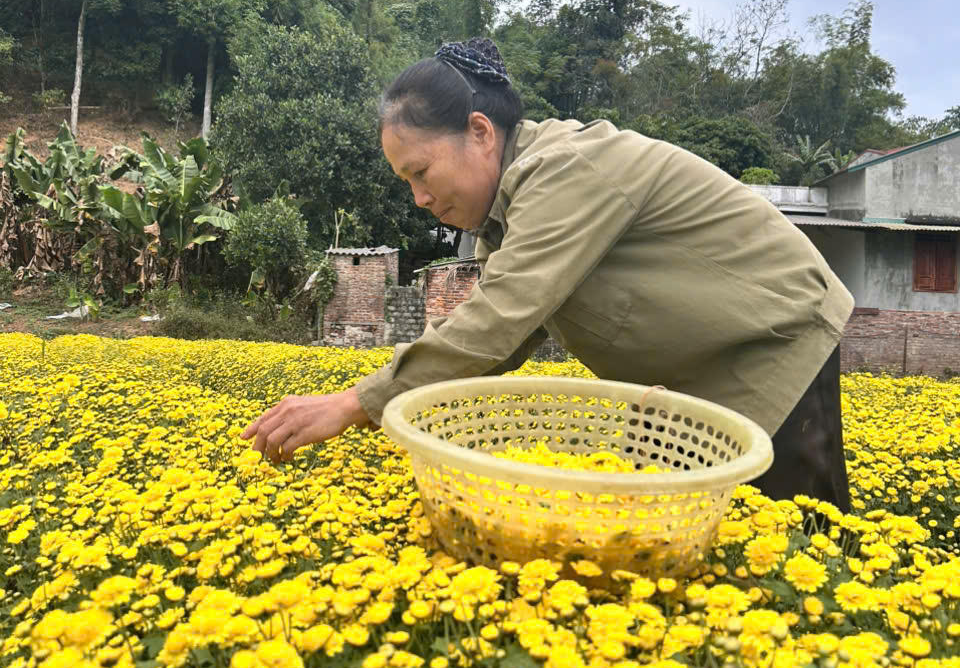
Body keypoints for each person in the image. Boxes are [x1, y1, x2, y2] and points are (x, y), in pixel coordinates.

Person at [242, 38, 854, 514]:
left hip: (774, 338)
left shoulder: (563, 169)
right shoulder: (506, 219)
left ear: (480, 132)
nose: (419, 199)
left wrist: (355, 403)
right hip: (682, 383)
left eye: (421, 172)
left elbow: (498, 320)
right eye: (407, 182)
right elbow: (502, 340)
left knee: (799, 541)